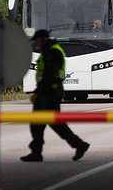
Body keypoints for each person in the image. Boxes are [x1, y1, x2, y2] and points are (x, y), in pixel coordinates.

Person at [21, 29, 90, 162]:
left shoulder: (52, 52)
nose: (35, 43)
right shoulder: (48, 51)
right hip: (47, 91)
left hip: (50, 92)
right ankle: (36, 152)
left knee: (55, 123)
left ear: (43, 39)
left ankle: (79, 144)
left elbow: (48, 75)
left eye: (36, 40)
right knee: (37, 123)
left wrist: (37, 92)